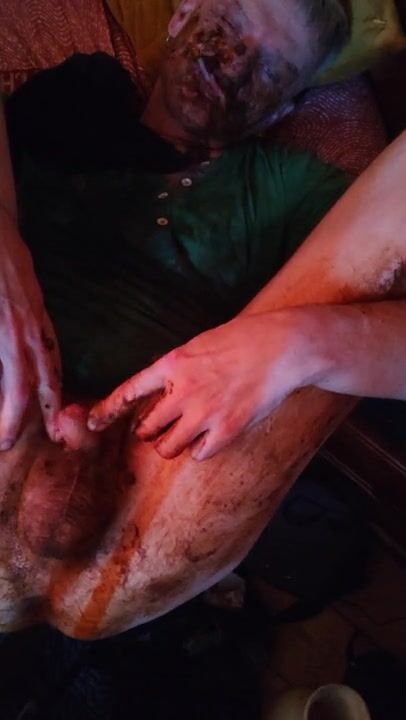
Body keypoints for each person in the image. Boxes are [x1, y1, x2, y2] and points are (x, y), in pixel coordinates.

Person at [1, 0, 351, 451]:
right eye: (227, 24)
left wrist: (307, 344)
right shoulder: (84, 94)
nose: (232, 64)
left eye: (269, 72)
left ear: (279, 113)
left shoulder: (283, 188)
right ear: (182, 15)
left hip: (124, 457)